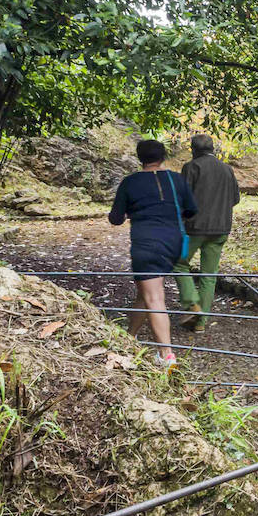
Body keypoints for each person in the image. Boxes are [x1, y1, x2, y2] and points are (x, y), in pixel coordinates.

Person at [108, 139, 198, 368]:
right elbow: (191, 210)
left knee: (155, 297)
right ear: (163, 156)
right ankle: (129, 338)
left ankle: (166, 356)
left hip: (147, 245)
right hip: (173, 243)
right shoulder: (176, 179)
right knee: (145, 293)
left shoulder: (131, 182)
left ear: (140, 158)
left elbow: (115, 218)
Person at [172, 134, 241, 333]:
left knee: (178, 263)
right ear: (213, 149)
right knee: (209, 276)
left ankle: (192, 303)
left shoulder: (191, 167)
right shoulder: (227, 169)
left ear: (193, 150)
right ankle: (200, 323)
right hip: (221, 229)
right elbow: (235, 199)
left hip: (194, 228)